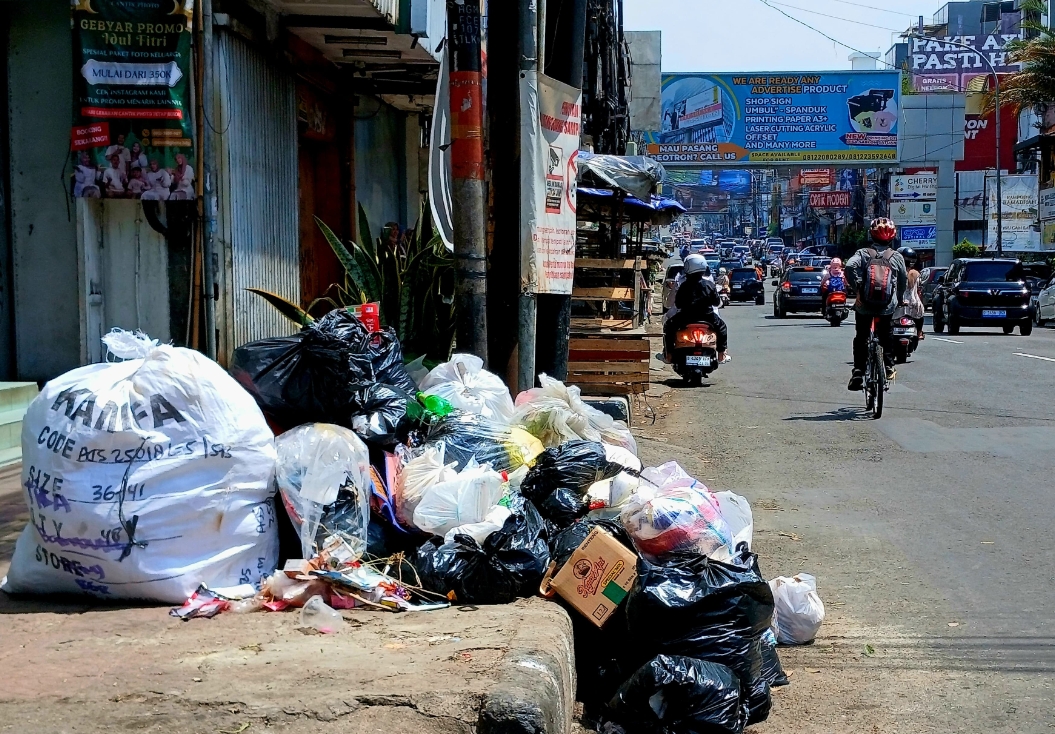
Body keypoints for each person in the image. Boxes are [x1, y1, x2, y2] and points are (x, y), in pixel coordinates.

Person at [845, 218, 908, 389]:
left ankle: (858, 371)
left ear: (871, 235)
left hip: (864, 304)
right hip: (886, 306)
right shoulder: (896, 257)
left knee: (861, 337)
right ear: (892, 237)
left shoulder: (863, 253)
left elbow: (849, 267)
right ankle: (888, 366)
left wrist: (857, 289)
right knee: (886, 334)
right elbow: (903, 281)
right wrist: (900, 299)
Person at [664, 254, 730, 363]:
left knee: (668, 327)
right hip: (708, 317)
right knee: (722, 327)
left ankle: (669, 355)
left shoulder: (684, 285)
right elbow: (717, 302)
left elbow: (679, 304)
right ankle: (721, 355)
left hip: (685, 317)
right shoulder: (709, 284)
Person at [896, 250, 926, 339]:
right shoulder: (916, 273)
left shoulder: (895, 271)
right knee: (920, 314)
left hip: (897, 303)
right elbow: (919, 290)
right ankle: (919, 332)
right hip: (914, 303)